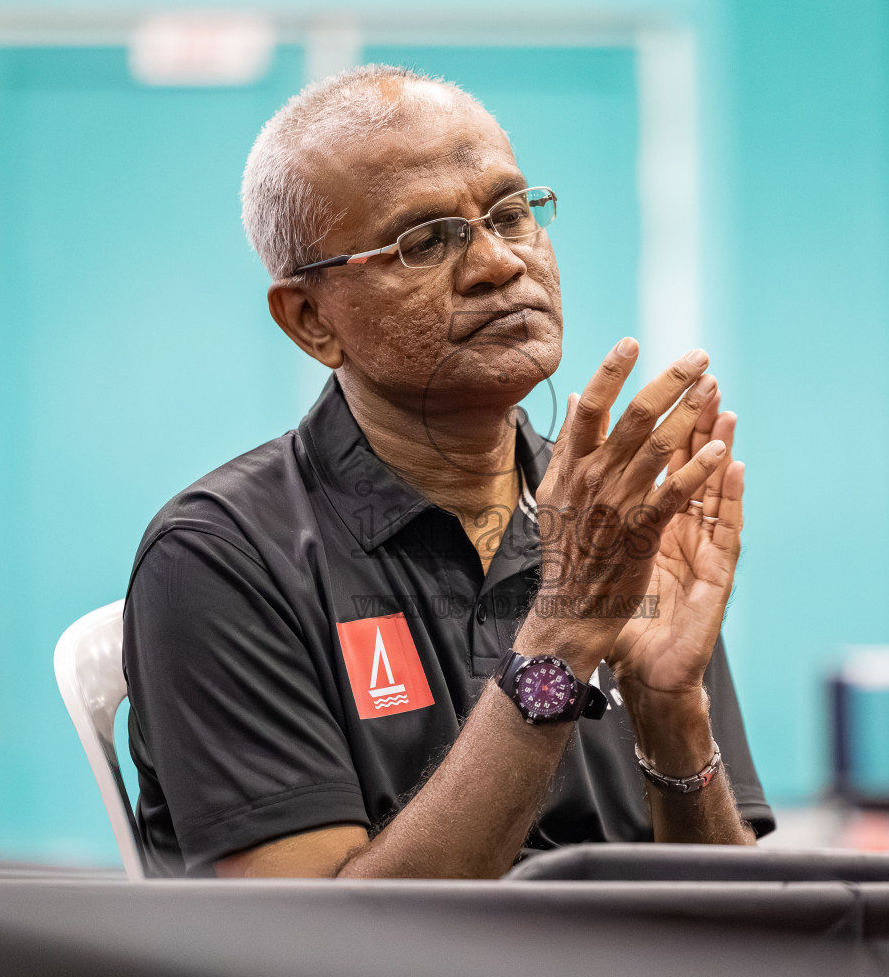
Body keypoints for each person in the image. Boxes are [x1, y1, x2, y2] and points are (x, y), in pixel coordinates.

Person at [123, 65, 773, 879]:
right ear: (312, 320)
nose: (500, 263)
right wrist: (561, 640)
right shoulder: (219, 558)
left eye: (511, 214)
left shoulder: (610, 518)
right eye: (425, 241)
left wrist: (671, 711)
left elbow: (733, 932)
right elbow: (316, 949)